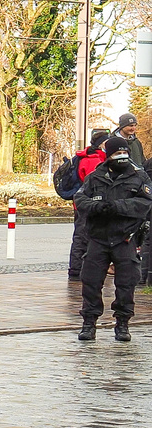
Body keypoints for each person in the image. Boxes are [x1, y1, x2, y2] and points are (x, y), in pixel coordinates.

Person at [74, 136, 152, 342]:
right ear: (108, 156)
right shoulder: (95, 177)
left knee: (126, 283)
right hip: (98, 237)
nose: (122, 156)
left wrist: (119, 207)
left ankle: (123, 324)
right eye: (117, 153)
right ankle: (89, 323)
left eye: (124, 152)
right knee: (90, 281)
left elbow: (145, 203)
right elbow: (80, 199)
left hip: (125, 238)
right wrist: (96, 207)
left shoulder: (139, 177)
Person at [65, 131, 110, 280]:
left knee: (82, 235)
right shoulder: (93, 160)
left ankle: (80, 268)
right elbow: (94, 184)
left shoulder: (91, 157)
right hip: (87, 205)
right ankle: (77, 269)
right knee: (82, 236)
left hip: (83, 204)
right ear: (101, 144)